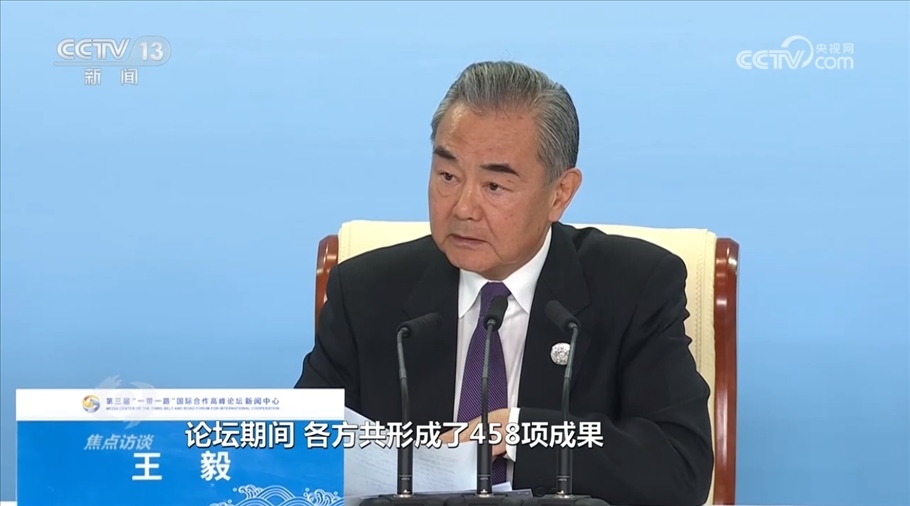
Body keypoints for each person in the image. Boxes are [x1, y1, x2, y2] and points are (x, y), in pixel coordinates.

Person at [296, 61, 714, 506]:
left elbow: (679, 469)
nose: (463, 208)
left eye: (494, 186)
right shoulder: (366, 291)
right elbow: (298, 457)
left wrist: (515, 433)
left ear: (560, 194)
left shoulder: (634, 286)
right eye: (448, 176)